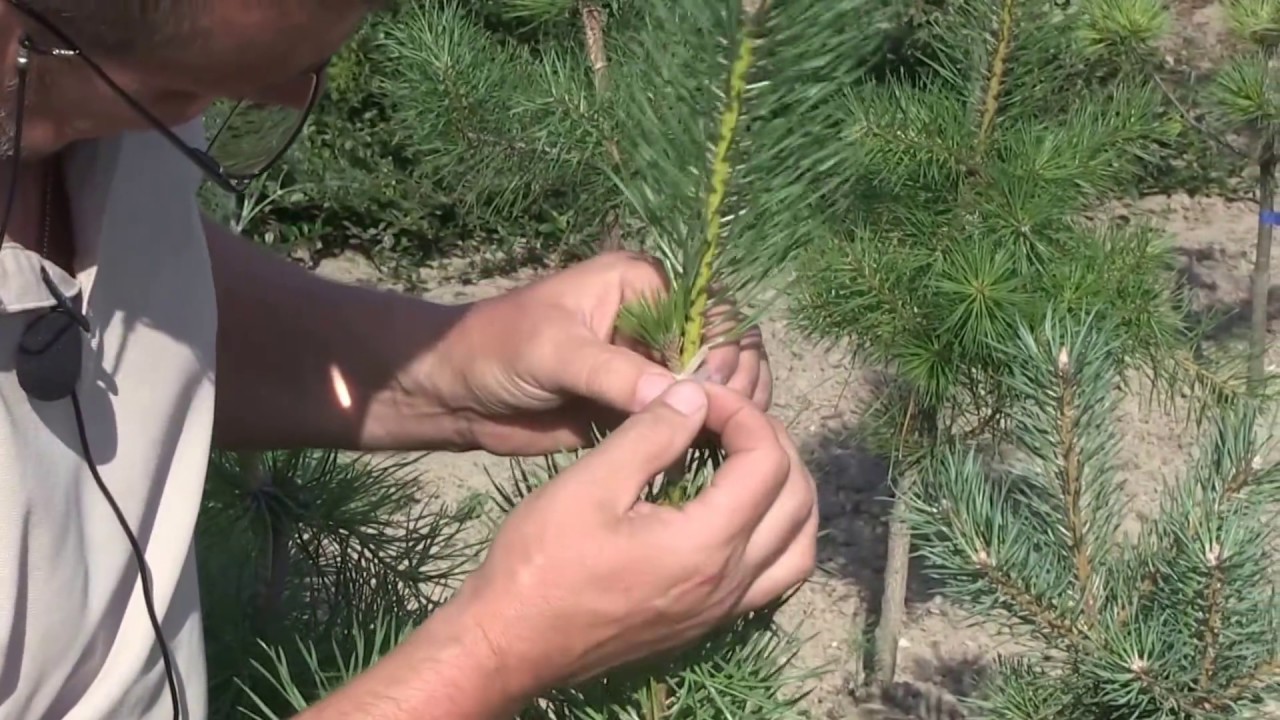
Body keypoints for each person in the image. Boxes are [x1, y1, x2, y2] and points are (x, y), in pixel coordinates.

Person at [0, 1, 819, 719]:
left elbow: (110, 298)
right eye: (183, 90)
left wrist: (451, 370)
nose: (284, 96)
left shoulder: (87, 73)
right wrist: (492, 653)